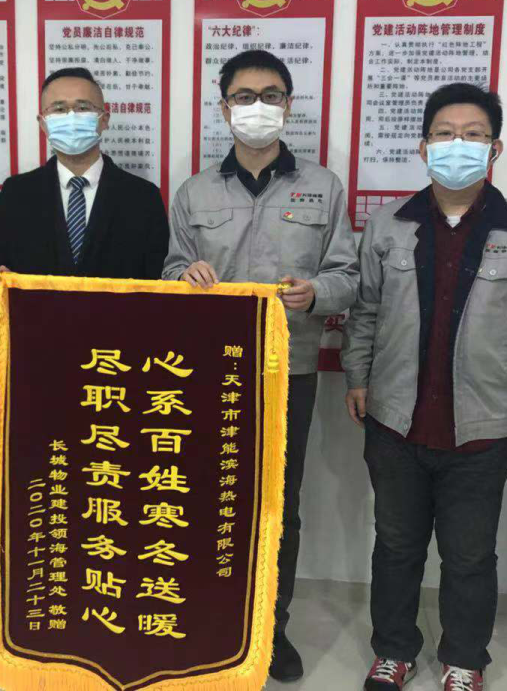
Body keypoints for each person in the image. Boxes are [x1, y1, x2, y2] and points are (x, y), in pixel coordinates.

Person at [343, 84, 507, 691]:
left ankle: (464, 659)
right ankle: (394, 650)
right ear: (424, 146)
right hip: (395, 420)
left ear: (495, 148)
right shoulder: (389, 225)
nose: (457, 145)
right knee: (396, 546)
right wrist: (359, 378)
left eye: (473, 135)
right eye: (444, 134)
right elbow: (365, 312)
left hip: (483, 424)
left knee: (469, 554)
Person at [163, 49, 359, 683]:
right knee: (202, 496)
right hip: (207, 372)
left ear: (288, 105)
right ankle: (205, 620)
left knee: (277, 503)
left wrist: (317, 293)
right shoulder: (194, 191)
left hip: (288, 370)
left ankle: (271, 626)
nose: (257, 107)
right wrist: (183, 276)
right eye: (243, 96)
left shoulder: (324, 186)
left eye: (270, 95)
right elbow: (170, 268)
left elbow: (347, 275)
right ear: (224, 108)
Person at [0, 67, 169, 296]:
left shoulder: (143, 197)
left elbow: (161, 283)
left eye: (83, 108)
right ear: (43, 123)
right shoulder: (16, 193)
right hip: (36, 319)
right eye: (59, 109)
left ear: (104, 120)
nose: (71, 117)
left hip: (117, 319)